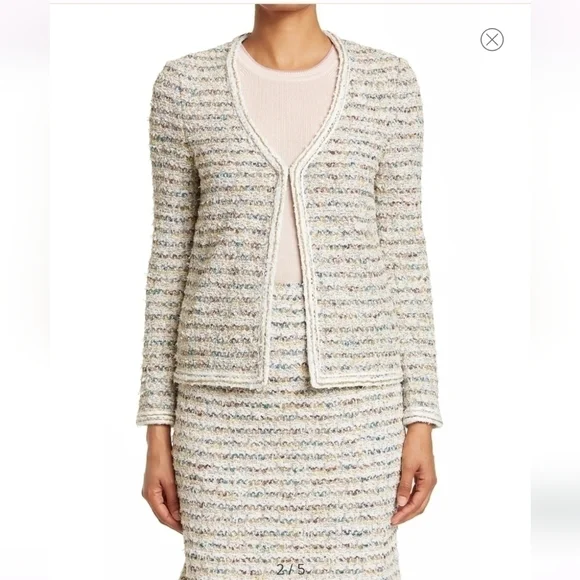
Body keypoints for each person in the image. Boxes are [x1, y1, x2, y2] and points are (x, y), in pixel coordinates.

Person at [136, 4, 443, 579]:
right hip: (218, 401)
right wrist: (157, 426)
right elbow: (170, 258)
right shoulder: (183, 86)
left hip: (357, 404)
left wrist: (420, 415)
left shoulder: (389, 83)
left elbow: (405, 254)